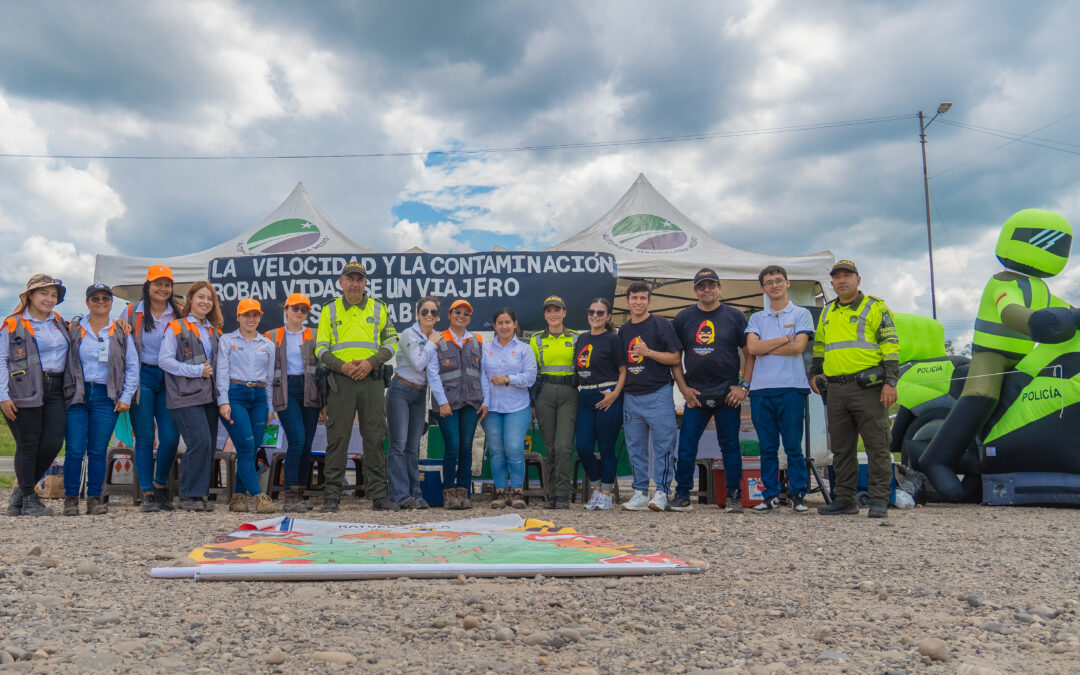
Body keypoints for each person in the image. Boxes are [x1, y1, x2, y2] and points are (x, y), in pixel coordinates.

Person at [809, 260, 899, 518]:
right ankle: (845, 500)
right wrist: (814, 373)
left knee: (877, 446)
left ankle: (879, 500)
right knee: (841, 449)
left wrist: (891, 382)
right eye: (836, 277)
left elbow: (891, 346)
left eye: (847, 276)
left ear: (858, 280)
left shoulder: (875, 307)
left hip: (868, 388)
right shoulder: (827, 311)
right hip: (836, 390)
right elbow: (820, 347)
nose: (841, 280)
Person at [314, 262, 398, 513]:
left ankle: (379, 496)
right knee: (337, 438)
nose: (355, 284)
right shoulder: (329, 309)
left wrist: (371, 363)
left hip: (371, 380)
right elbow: (320, 348)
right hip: (341, 381)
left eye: (359, 279)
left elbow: (392, 341)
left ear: (365, 283)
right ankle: (331, 496)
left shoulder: (379, 308)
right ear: (341, 282)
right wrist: (342, 367)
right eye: (350, 279)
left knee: (374, 437)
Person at [672, 268, 755, 513]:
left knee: (729, 445)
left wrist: (744, 387)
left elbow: (750, 354)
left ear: (719, 288)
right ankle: (682, 495)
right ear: (695, 291)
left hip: (727, 394)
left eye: (711, 285)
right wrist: (683, 388)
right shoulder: (683, 318)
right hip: (695, 394)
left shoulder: (735, 316)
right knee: (686, 445)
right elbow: (676, 358)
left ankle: (733, 496)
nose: (706, 289)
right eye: (701, 286)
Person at [62, 284, 140, 516]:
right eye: (95, 298)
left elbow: (133, 367)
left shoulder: (120, 330)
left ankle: (95, 498)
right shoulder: (73, 328)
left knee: (97, 450)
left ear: (111, 302)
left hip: (106, 396)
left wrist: (126, 397)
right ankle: (70, 499)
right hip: (77, 393)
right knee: (75, 450)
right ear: (87, 302)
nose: (101, 302)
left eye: (106, 298)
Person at [744, 265, 814, 514]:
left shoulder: (801, 313)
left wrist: (766, 346)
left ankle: (798, 494)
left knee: (793, 446)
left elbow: (799, 348)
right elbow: (752, 349)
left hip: (792, 388)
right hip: (762, 390)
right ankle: (770, 495)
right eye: (769, 282)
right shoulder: (756, 318)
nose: (774, 285)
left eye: (778, 280)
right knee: (767, 447)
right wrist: (785, 339)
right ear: (763, 288)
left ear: (788, 283)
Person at [2, 274, 71, 517]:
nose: (50, 299)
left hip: (55, 387)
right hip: (22, 388)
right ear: (30, 295)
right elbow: (1, 360)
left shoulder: (59, 321)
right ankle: (29, 499)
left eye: (54, 295)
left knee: (53, 443)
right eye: (44, 293)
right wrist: (2, 396)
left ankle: (20, 494)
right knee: (28, 443)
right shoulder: (12, 323)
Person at [159, 281, 223, 512]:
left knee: (208, 445)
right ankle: (188, 495)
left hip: (209, 396)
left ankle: (199, 495)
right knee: (199, 442)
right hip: (184, 395)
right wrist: (196, 371)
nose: (205, 302)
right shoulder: (175, 327)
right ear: (190, 300)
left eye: (209, 299)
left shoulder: (214, 331)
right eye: (201, 297)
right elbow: (164, 360)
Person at [618, 282, 682, 512]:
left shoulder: (661, 324)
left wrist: (648, 353)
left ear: (649, 301)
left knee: (664, 445)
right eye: (634, 298)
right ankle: (640, 492)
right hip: (632, 395)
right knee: (635, 447)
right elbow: (622, 366)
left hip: (658, 393)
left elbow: (675, 357)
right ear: (627, 302)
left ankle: (663, 491)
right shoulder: (624, 331)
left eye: (643, 298)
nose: (638, 302)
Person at [127, 265, 183, 513]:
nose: (162, 288)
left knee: (170, 437)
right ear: (147, 286)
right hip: (142, 375)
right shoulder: (131, 312)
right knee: (146, 437)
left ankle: (161, 486)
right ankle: (148, 493)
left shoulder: (179, 313)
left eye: (167, 284)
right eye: (157, 283)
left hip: (170, 378)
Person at [217, 298, 276, 514]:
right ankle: (259, 497)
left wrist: (270, 407)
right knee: (245, 446)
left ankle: (238, 498)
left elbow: (269, 379)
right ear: (238, 317)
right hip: (235, 395)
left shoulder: (268, 344)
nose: (251, 319)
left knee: (251, 449)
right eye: (246, 315)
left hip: (259, 397)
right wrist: (223, 401)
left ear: (260, 317)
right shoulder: (227, 340)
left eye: (255, 315)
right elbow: (221, 373)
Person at [385, 296, 443, 509]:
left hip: (420, 394)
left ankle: (415, 495)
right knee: (398, 446)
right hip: (401, 389)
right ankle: (400, 496)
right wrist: (431, 343)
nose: (429, 315)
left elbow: (434, 371)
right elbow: (418, 364)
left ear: (438, 317)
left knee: (413, 447)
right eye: (425, 311)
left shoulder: (435, 338)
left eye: (433, 312)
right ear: (417, 314)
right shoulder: (408, 334)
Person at [266, 293, 320, 512]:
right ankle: (290, 496)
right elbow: (266, 370)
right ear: (286, 310)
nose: (299, 312)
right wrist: (269, 404)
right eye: (295, 308)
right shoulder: (271, 335)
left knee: (307, 443)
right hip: (285, 390)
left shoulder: (314, 334)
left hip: (311, 390)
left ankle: (299, 492)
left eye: (303, 309)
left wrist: (324, 401)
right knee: (297, 440)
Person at [431, 299, 485, 509]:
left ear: (470, 318)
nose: (462, 316)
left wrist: (485, 401)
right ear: (449, 315)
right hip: (447, 404)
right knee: (452, 446)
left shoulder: (477, 340)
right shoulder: (438, 339)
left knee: (466, 446)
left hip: (471, 403)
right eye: (458, 312)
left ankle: (464, 493)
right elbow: (433, 375)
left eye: (466, 314)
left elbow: (484, 373)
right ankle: (448, 493)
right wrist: (442, 402)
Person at [574, 297, 626, 511]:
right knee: (583, 447)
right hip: (585, 396)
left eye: (600, 312)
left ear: (609, 316)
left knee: (606, 448)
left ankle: (606, 493)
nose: (595, 316)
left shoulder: (613, 339)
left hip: (607, 395)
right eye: (591, 312)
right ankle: (596, 488)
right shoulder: (582, 338)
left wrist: (614, 395)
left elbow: (623, 371)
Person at [482, 308, 536, 509]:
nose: (504, 326)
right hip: (492, 408)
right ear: (494, 326)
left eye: (507, 322)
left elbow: (530, 378)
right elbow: (482, 379)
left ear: (515, 324)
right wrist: (485, 403)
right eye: (500, 323)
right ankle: (500, 491)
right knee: (496, 451)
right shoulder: (486, 349)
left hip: (517, 407)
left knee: (514, 449)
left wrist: (507, 379)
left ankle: (517, 492)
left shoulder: (525, 349)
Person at [529, 295, 579, 509]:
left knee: (564, 446)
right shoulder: (536, 340)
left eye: (557, 310)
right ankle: (551, 496)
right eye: (549, 311)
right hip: (545, 394)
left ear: (564, 312)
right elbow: (532, 373)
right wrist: (532, 403)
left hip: (570, 393)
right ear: (544, 315)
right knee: (550, 448)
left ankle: (563, 494)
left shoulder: (577, 338)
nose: (553, 314)